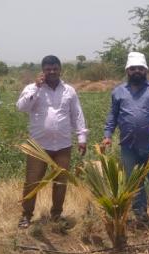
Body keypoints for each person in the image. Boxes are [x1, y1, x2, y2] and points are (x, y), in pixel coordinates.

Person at [17, 55, 88, 228]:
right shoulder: (33, 88)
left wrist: (81, 137)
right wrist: (36, 87)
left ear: (60, 69)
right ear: (43, 70)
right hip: (38, 147)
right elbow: (21, 107)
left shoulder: (69, 90)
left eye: (55, 68)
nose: (52, 72)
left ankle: (56, 214)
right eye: (48, 69)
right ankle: (26, 215)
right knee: (32, 182)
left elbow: (76, 114)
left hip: (63, 145)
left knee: (60, 182)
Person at [102, 52, 149, 222]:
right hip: (128, 146)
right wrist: (107, 135)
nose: (137, 71)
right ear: (128, 71)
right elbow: (113, 115)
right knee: (134, 182)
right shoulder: (118, 92)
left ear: (145, 70)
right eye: (133, 69)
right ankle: (139, 215)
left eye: (140, 68)